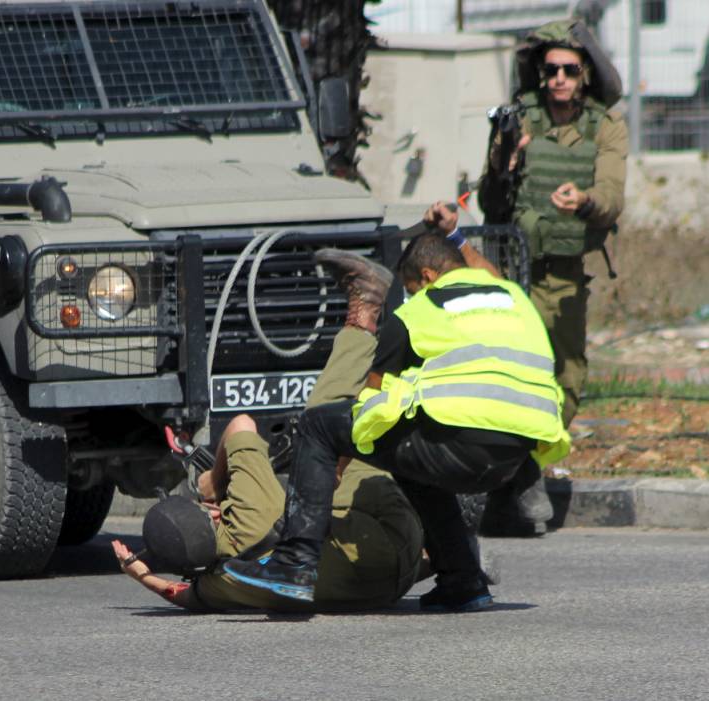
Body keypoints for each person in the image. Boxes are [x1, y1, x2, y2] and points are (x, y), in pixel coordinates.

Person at [223, 231, 571, 612]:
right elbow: (482, 272)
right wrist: (458, 236)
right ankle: (463, 581)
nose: (410, 296)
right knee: (414, 461)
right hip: (519, 453)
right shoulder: (512, 297)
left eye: (411, 288)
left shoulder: (421, 311)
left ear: (427, 276)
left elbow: (370, 403)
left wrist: (335, 464)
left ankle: (294, 566)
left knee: (319, 426)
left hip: (463, 441)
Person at [111, 322, 425, 613]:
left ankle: (445, 550)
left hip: (390, 587)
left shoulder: (222, 583)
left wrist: (143, 576)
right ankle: (362, 326)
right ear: (212, 513)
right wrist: (214, 482)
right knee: (325, 423)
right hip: (391, 535)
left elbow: (176, 592)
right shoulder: (247, 511)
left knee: (333, 510)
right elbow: (241, 424)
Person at [477, 18, 628, 536]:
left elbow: (611, 196)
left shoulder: (604, 126)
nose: (559, 78)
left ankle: (525, 467)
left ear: (584, 73)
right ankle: (517, 477)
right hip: (511, 271)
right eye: (551, 70)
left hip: (564, 274)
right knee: (509, 375)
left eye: (569, 69)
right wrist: (504, 160)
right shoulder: (520, 120)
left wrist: (584, 202)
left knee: (567, 378)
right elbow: (490, 202)